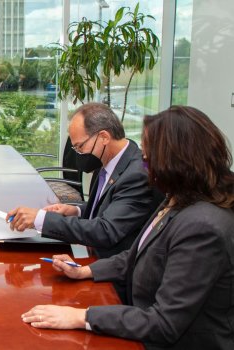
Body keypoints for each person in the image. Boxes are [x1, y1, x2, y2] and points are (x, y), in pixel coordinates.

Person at [21, 106, 234, 349]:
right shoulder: (178, 200)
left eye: (149, 156)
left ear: (176, 160)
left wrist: (82, 317)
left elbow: (164, 322)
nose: (144, 162)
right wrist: (84, 271)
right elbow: (139, 255)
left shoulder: (203, 227)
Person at [8, 103, 163, 258]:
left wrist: (40, 219)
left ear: (104, 137)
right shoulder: (112, 159)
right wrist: (77, 210)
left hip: (111, 268)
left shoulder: (137, 175)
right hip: (91, 253)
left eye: (80, 146)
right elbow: (111, 205)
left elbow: (106, 230)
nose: (79, 153)